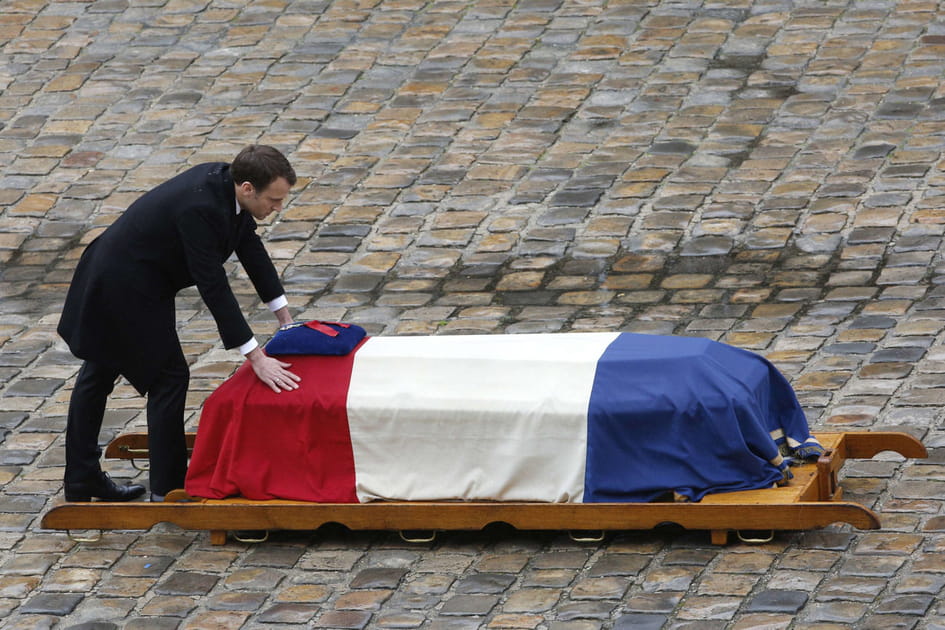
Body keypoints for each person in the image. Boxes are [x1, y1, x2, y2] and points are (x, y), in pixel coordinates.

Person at [57, 145, 302, 502]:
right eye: (274, 200)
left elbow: (249, 247)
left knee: (98, 373)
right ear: (248, 187)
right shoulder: (200, 208)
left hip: (132, 277)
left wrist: (286, 319)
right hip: (123, 283)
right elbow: (212, 284)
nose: (278, 208)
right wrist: (256, 356)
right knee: (167, 376)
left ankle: (81, 478)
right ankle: (168, 488)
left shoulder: (228, 190)